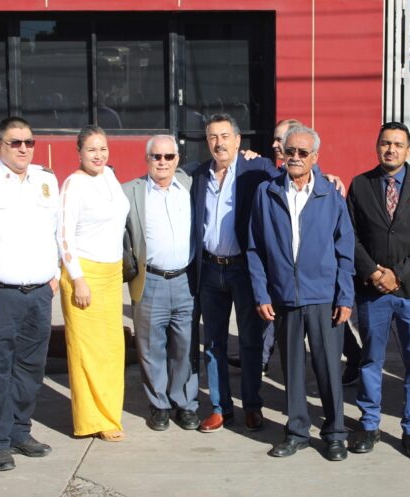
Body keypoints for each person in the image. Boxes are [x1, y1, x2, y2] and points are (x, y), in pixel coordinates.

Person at [247, 125, 355, 461]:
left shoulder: (330, 195)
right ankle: (296, 432)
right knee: (292, 370)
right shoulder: (266, 193)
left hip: (323, 297)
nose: (294, 157)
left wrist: (345, 297)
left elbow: (345, 250)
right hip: (284, 297)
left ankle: (335, 434)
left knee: (329, 369)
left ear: (315, 157)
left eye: (302, 152)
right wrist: (262, 293)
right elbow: (255, 247)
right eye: (289, 151)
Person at [346, 121, 410, 461]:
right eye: (386, 143)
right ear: (377, 146)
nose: (391, 149)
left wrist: (397, 274)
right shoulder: (360, 185)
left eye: (398, 144)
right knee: (371, 359)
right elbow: (350, 236)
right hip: (373, 290)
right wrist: (373, 272)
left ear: (408, 150)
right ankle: (369, 424)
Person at [0, 117, 59, 471]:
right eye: (15, 142)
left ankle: (20, 431)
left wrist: (55, 275)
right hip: (0, 294)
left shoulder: (46, 180)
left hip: (39, 294)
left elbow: (56, 230)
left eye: (29, 142)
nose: (24, 149)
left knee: (30, 369)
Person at [191, 113, 281, 433]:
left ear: (238, 140)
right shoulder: (198, 174)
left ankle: (252, 405)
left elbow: (291, 178)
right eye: (213, 137)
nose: (219, 143)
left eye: (225, 136)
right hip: (210, 270)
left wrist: (329, 177)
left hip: (244, 269)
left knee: (250, 342)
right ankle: (221, 408)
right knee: (213, 342)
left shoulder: (256, 169)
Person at [264, 118, 362, 384]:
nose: (276, 145)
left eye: (281, 140)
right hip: (286, 287)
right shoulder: (270, 179)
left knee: (327, 347)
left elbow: (344, 246)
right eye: (281, 144)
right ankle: (263, 357)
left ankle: (353, 360)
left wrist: (344, 295)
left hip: (318, 290)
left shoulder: (326, 189)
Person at [123, 135, 200, 432]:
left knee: (185, 346)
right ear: (147, 159)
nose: (163, 162)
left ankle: (185, 403)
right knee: (150, 347)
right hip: (150, 281)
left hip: (185, 281)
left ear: (177, 159)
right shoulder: (130, 191)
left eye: (169, 156)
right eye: (156, 156)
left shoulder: (191, 185)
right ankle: (159, 405)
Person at [58, 125, 130, 441]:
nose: (98, 155)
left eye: (103, 148)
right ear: (79, 152)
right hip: (84, 274)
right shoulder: (73, 185)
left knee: (111, 349)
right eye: (91, 150)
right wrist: (78, 279)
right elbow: (63, 235)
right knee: (86, 351)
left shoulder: (109, 176)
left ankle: (110, 414)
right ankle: (92, 420)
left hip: (112, 275)